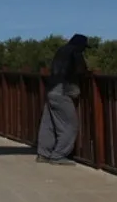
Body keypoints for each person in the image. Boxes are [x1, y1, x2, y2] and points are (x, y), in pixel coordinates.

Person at [36, 33, 90, 166]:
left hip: (51, 90)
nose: (84, 49)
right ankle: (58, 155)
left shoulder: (61, 50)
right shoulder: (75, 52)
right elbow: (81, 69)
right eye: (83, 47)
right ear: (79, 45)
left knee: (48, 125)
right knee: (70, 125)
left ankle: (44, 153)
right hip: (63, 92)